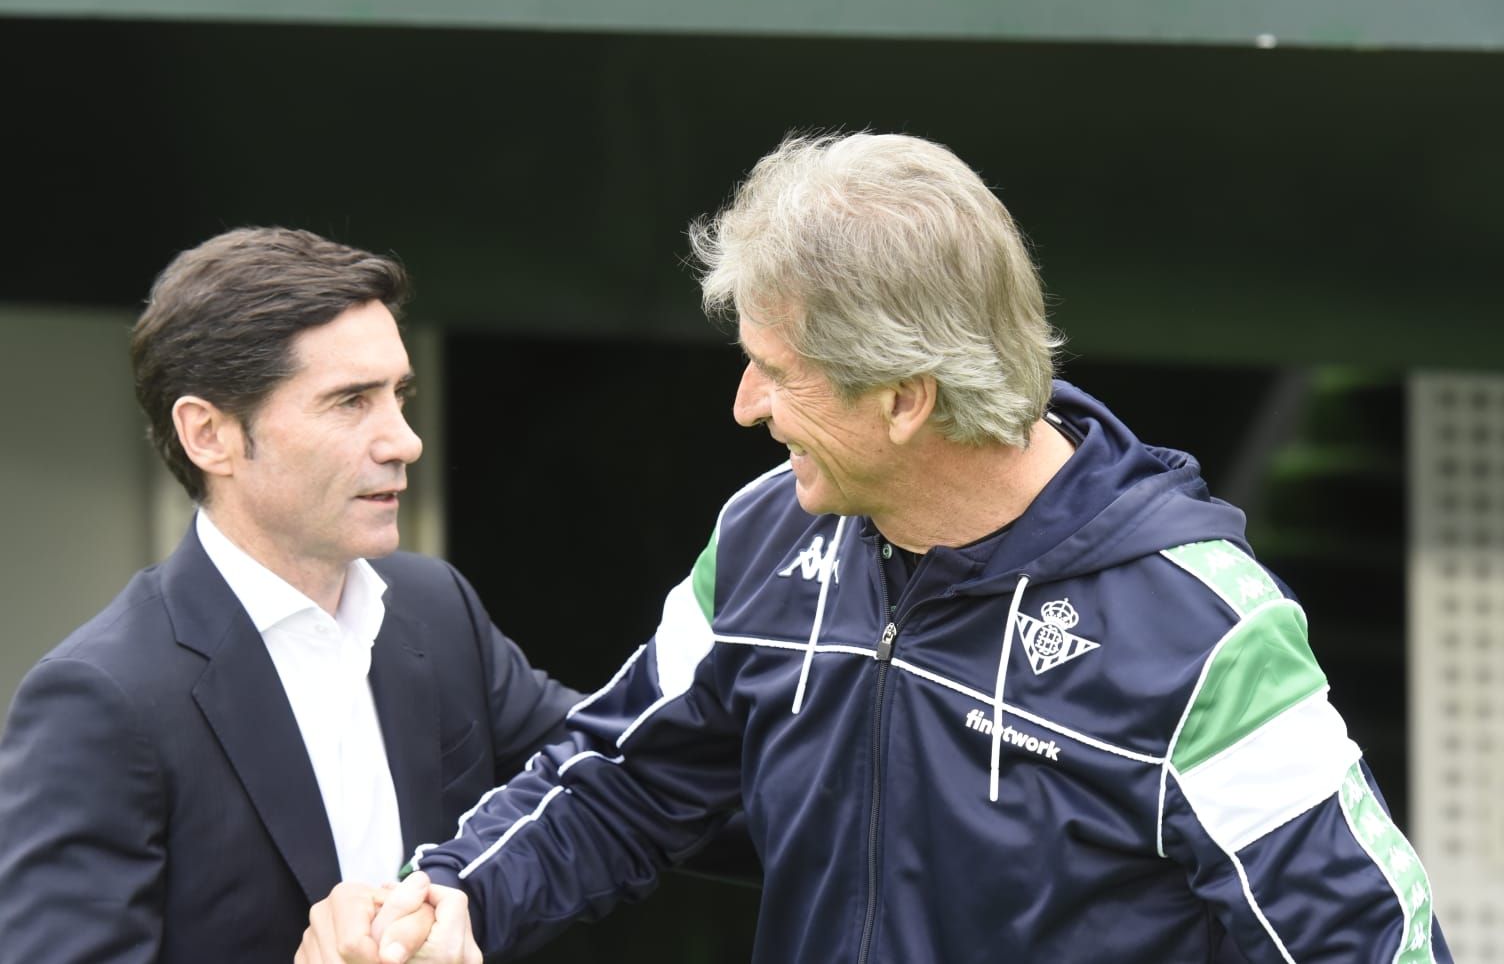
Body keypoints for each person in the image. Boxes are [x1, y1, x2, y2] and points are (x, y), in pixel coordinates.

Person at [305, 133, 1452, 963]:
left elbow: (1368, 942)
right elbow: (624, 776)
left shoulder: (1205, 634)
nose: (745, 405)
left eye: (778, 371)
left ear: (906, 398)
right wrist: (447, 898)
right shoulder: (764, 532)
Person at [0, 227, 583, 963]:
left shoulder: (435, 605)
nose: (404, 440)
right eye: (350, 402)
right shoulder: (102, 698)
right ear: (209, 434)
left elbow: (614, 777)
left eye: (399, 395)